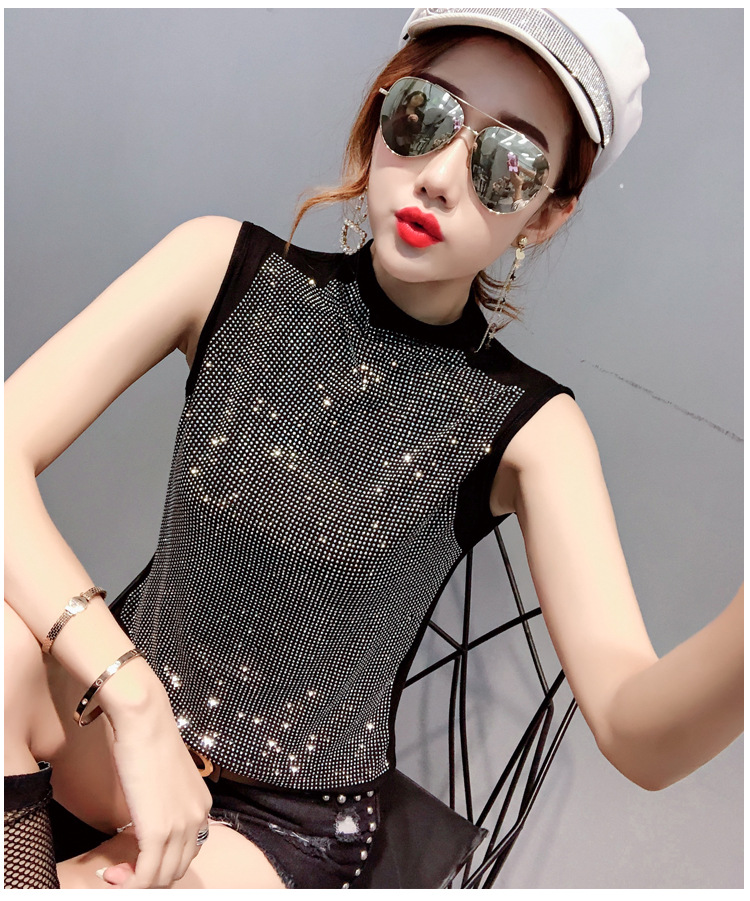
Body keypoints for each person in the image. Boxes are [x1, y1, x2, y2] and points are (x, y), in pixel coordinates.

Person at [4, 8, 742, 891]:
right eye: (424, 115)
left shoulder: (531, 426)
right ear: (380, 111)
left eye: (506, 162)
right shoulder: (219, 266)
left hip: (277, 817)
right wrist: (131, 692)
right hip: (116, 722)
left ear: (547, 213)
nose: (438, 177)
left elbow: (635, 728)